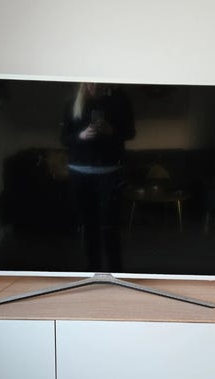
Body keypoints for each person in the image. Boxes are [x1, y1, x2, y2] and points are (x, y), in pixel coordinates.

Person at [61, 82, 135, 272]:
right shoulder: (72, 103)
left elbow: (130, 133)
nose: (94, 85)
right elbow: (63, 138)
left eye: (97, 81)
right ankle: (93, 272)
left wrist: (112, 131)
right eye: (90, 82)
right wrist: (81, 136)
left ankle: (116, 274)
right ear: (84, 82)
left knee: (111, 227)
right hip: (79, 172)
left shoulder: (119, 100)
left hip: (110, 171)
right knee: (89, 227)